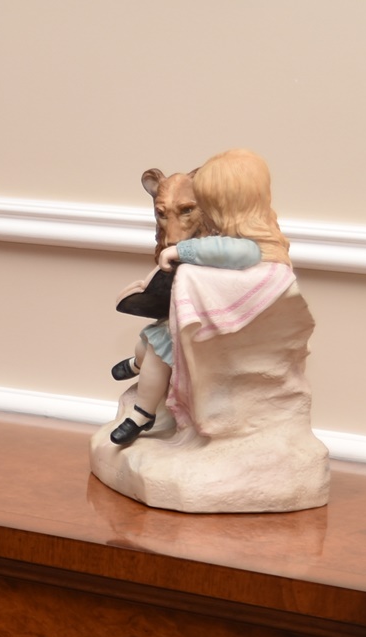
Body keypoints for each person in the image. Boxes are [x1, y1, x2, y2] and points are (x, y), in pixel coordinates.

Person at [108, 149, 292, 449]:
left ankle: (142, 414)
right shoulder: (232, 237)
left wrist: (182, 252)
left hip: (221, 329)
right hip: (205, 315)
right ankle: (137, 363)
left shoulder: (248, 246)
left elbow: (231, 257)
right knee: (148, 340)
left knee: (158, 347)